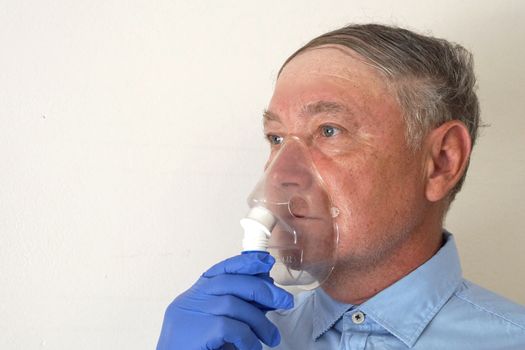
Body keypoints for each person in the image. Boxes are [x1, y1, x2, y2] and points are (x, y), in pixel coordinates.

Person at [156, 24, 525, 349]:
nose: (280, 175)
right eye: (276, 138)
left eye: (329, 130)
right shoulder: (239, 341)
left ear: (442, 161)